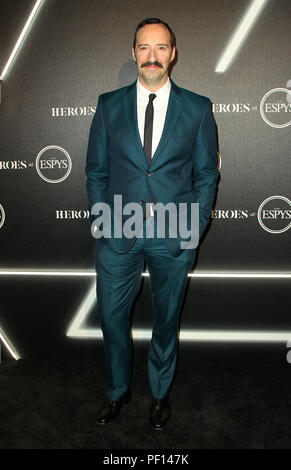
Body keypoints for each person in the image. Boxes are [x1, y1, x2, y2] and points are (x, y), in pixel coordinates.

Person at [85, 17, 219, 430]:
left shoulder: (197, 107)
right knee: (111, 319)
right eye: (144, 48)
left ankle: (159, 394)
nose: (152, 56)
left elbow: (206, 176)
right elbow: (96, 172)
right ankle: (117, 391)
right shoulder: (108, 104)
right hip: (117, 232)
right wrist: (104, 222)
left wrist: (192, 227)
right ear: (133, 54)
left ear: (173, 54)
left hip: (173, 233)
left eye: (161, 48)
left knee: (166, 319)